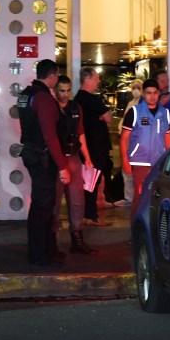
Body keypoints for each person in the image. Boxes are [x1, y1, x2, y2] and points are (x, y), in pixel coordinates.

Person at [17, 59, 70, 267]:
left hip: (32, 153)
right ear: (53, 75)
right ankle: (40, 254)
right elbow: (50, 135)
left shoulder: (26, 95)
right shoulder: (43, 98)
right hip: (42, 157)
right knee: (42, 206)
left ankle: (47, 250)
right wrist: (63, 166)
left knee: (43, 205)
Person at [54, 75, 97, 255]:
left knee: (77, 200)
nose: (65, 94)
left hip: (72, 156)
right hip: (56, 158)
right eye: (61, 90)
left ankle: (77, 240)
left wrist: (87, 158)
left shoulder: (75, 107)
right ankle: (51, 241)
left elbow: (81, 134)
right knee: (54, 202)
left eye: (68, 90)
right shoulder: (51, 106)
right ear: (55, 90)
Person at [121, 78, 170, 219]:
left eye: (155, 93)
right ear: (143, 94)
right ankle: (136, 233)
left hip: (159, 161)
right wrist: (125, 160)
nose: (152, 96)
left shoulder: (165, 113)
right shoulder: (134, 112)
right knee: (139, 197)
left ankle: (152, 232)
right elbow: (124, 137)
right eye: (149, 93)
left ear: (159, 93)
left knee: (158, 197)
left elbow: (167, 138)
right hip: (139, 161)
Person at [73, 66, 113, 226]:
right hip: (96, 146)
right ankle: (91, 215)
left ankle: (86, 214)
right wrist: (102, 116)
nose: (98, 81)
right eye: (96, 78)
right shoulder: (93, 100)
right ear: (87, 78)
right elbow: (109, 117)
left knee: (87, 182)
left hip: (84, 146)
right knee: (93, 182)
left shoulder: (77, 100)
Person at [115, 78, 144, 206]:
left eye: (138, 87)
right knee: (127, 171)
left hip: (136, 141)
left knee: (137, 171)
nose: (136, 90)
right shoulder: (131, 103)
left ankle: (136, 198)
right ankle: (129, 197)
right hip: (127, 140)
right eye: (134, 88)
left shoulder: (143, 104)